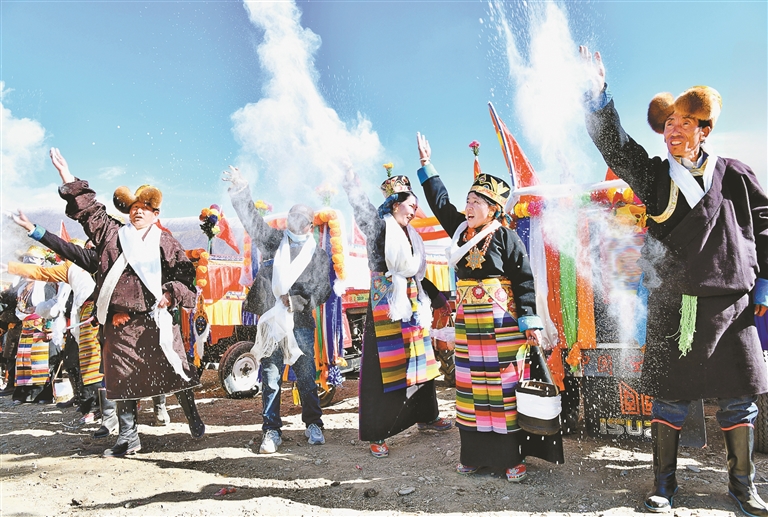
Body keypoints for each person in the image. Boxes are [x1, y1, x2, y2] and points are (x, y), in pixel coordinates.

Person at [580, 46, 768, 515]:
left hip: (731, 302)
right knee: (669, 398)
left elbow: (765, 227)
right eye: (667, 125)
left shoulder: (738, 175)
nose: (674, 130)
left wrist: (766, 282)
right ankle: (665, 485)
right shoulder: (655, 176)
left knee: (739, 399)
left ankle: (743, 488)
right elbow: (615, 145)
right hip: (676, 302)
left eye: (685, 123)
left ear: (705, 130)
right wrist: (597, 93)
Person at [416, 133, 564, 482]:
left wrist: (530, 320)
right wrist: (427, 165)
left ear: (494, 208)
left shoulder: (505, 236)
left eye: (476, 202)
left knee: (503, 389)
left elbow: (525, 279)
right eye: (467, 200)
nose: (468, 207)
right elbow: (440, 202)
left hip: (503, 325)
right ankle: (474, 456)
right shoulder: (459, 233)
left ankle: (511, 458)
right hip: (470, 326)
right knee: (470, 389)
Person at [50, 147, 205, 457]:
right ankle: (128, 438)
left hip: (156, 321)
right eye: (134, 207)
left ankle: (193, 416)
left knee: (175, 373)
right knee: (121, 380)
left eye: (146, 207)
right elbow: (90, 212)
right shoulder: (113, 235)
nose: (138, 211)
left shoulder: (165, 241)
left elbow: (187, 277)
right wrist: (67, 175)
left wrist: (171, 291)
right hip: (120, 323)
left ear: (156, 214)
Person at [8, 212, 172, 435]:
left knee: (147, 364)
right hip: (100, 319)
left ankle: (159, 406)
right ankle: (110, 420)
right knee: (104, 369)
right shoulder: (87, 261)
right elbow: (53, 259)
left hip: (140, 318)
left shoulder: (141, 252)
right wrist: (30, 236)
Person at [343, 165, 452, 458]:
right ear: (393, 205)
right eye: (409, 204)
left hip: (413, 303)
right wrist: (350, 179)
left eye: (415, 205)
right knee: (383, 368)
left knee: (421, 362)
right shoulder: (380, 226)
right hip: (386, 306)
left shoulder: (413, 235)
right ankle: (377, 431)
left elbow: (417, 273)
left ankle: (427, 416)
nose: (413, 210)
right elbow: (361, 207)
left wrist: (436, 297)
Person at [223, 166, 332, 454]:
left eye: (303, 219)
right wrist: (241, 190)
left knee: (306, 377)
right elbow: (253, 223)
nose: (297, 222)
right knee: (270, 379)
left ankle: (313, 424)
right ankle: (271, 430)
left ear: (311, 225)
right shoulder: (275, 241)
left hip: (301, 323)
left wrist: (296, 302)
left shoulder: (318, 255)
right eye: (293, 216)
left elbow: (323, 290)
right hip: (272, 321)